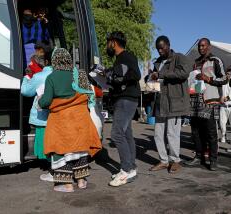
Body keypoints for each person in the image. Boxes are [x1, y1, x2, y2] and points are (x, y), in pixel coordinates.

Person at [38, 48, 102, 192]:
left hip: (62, 120)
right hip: (80, 118)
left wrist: (40, 101)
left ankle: (67, 185)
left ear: (55, 61)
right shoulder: (79, 74)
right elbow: (89, 96)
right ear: (68, 59)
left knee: (61, 150)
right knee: (80, 148)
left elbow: (46, 101)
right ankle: (81, 181)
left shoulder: (52, 77)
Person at [103, 31, 141, 187]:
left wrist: (117, 77)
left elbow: (136, 75)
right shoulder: (120, 59)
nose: (107, 46)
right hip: (124, 98)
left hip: (127, 99)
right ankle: (131, 168)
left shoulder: (126, 56)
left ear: (114, 42)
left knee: (116, 134)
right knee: (126, 133)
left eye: (108, 42)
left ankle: (125, 170)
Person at [183, 38, 227, 171]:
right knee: (195, 131)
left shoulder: (215, 60)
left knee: (211, 132)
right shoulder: (196, 62)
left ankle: (213, 159)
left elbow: (224, 79)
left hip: (210, 100)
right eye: (199, 46)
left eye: (203, 46)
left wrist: (208, 78)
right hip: (195, 100)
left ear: (209, 46)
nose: (201, 48)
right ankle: (198, 156)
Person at [149, 35, 190, 173]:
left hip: (174, 102)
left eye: (162, 47)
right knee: (158, 134)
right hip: (160, 101)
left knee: (172, 134)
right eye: (157, 49)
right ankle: (163, 160)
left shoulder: (179, 57)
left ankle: (175, 160)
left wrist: (161, 74)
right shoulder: (158, 62)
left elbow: (184, 73)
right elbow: (154, 77)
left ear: (168, 45)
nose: (160, 51)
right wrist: (151, 77)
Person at [21, 44, 53, 181]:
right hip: (55, 115)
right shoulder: (56, 74)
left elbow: (25, 91)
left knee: (44, 141)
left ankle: (51, 167)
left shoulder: (39, 76)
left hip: (41, 116)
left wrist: (27, 78)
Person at [219, 70, 231, 144]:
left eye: (230, 74)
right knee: (222, 123)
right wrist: (220, 98)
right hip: (223, 106)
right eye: (227, 74)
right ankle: (223, 136)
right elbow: (220, 92)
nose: (228, 75)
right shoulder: (223, 83)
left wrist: (224, 99)